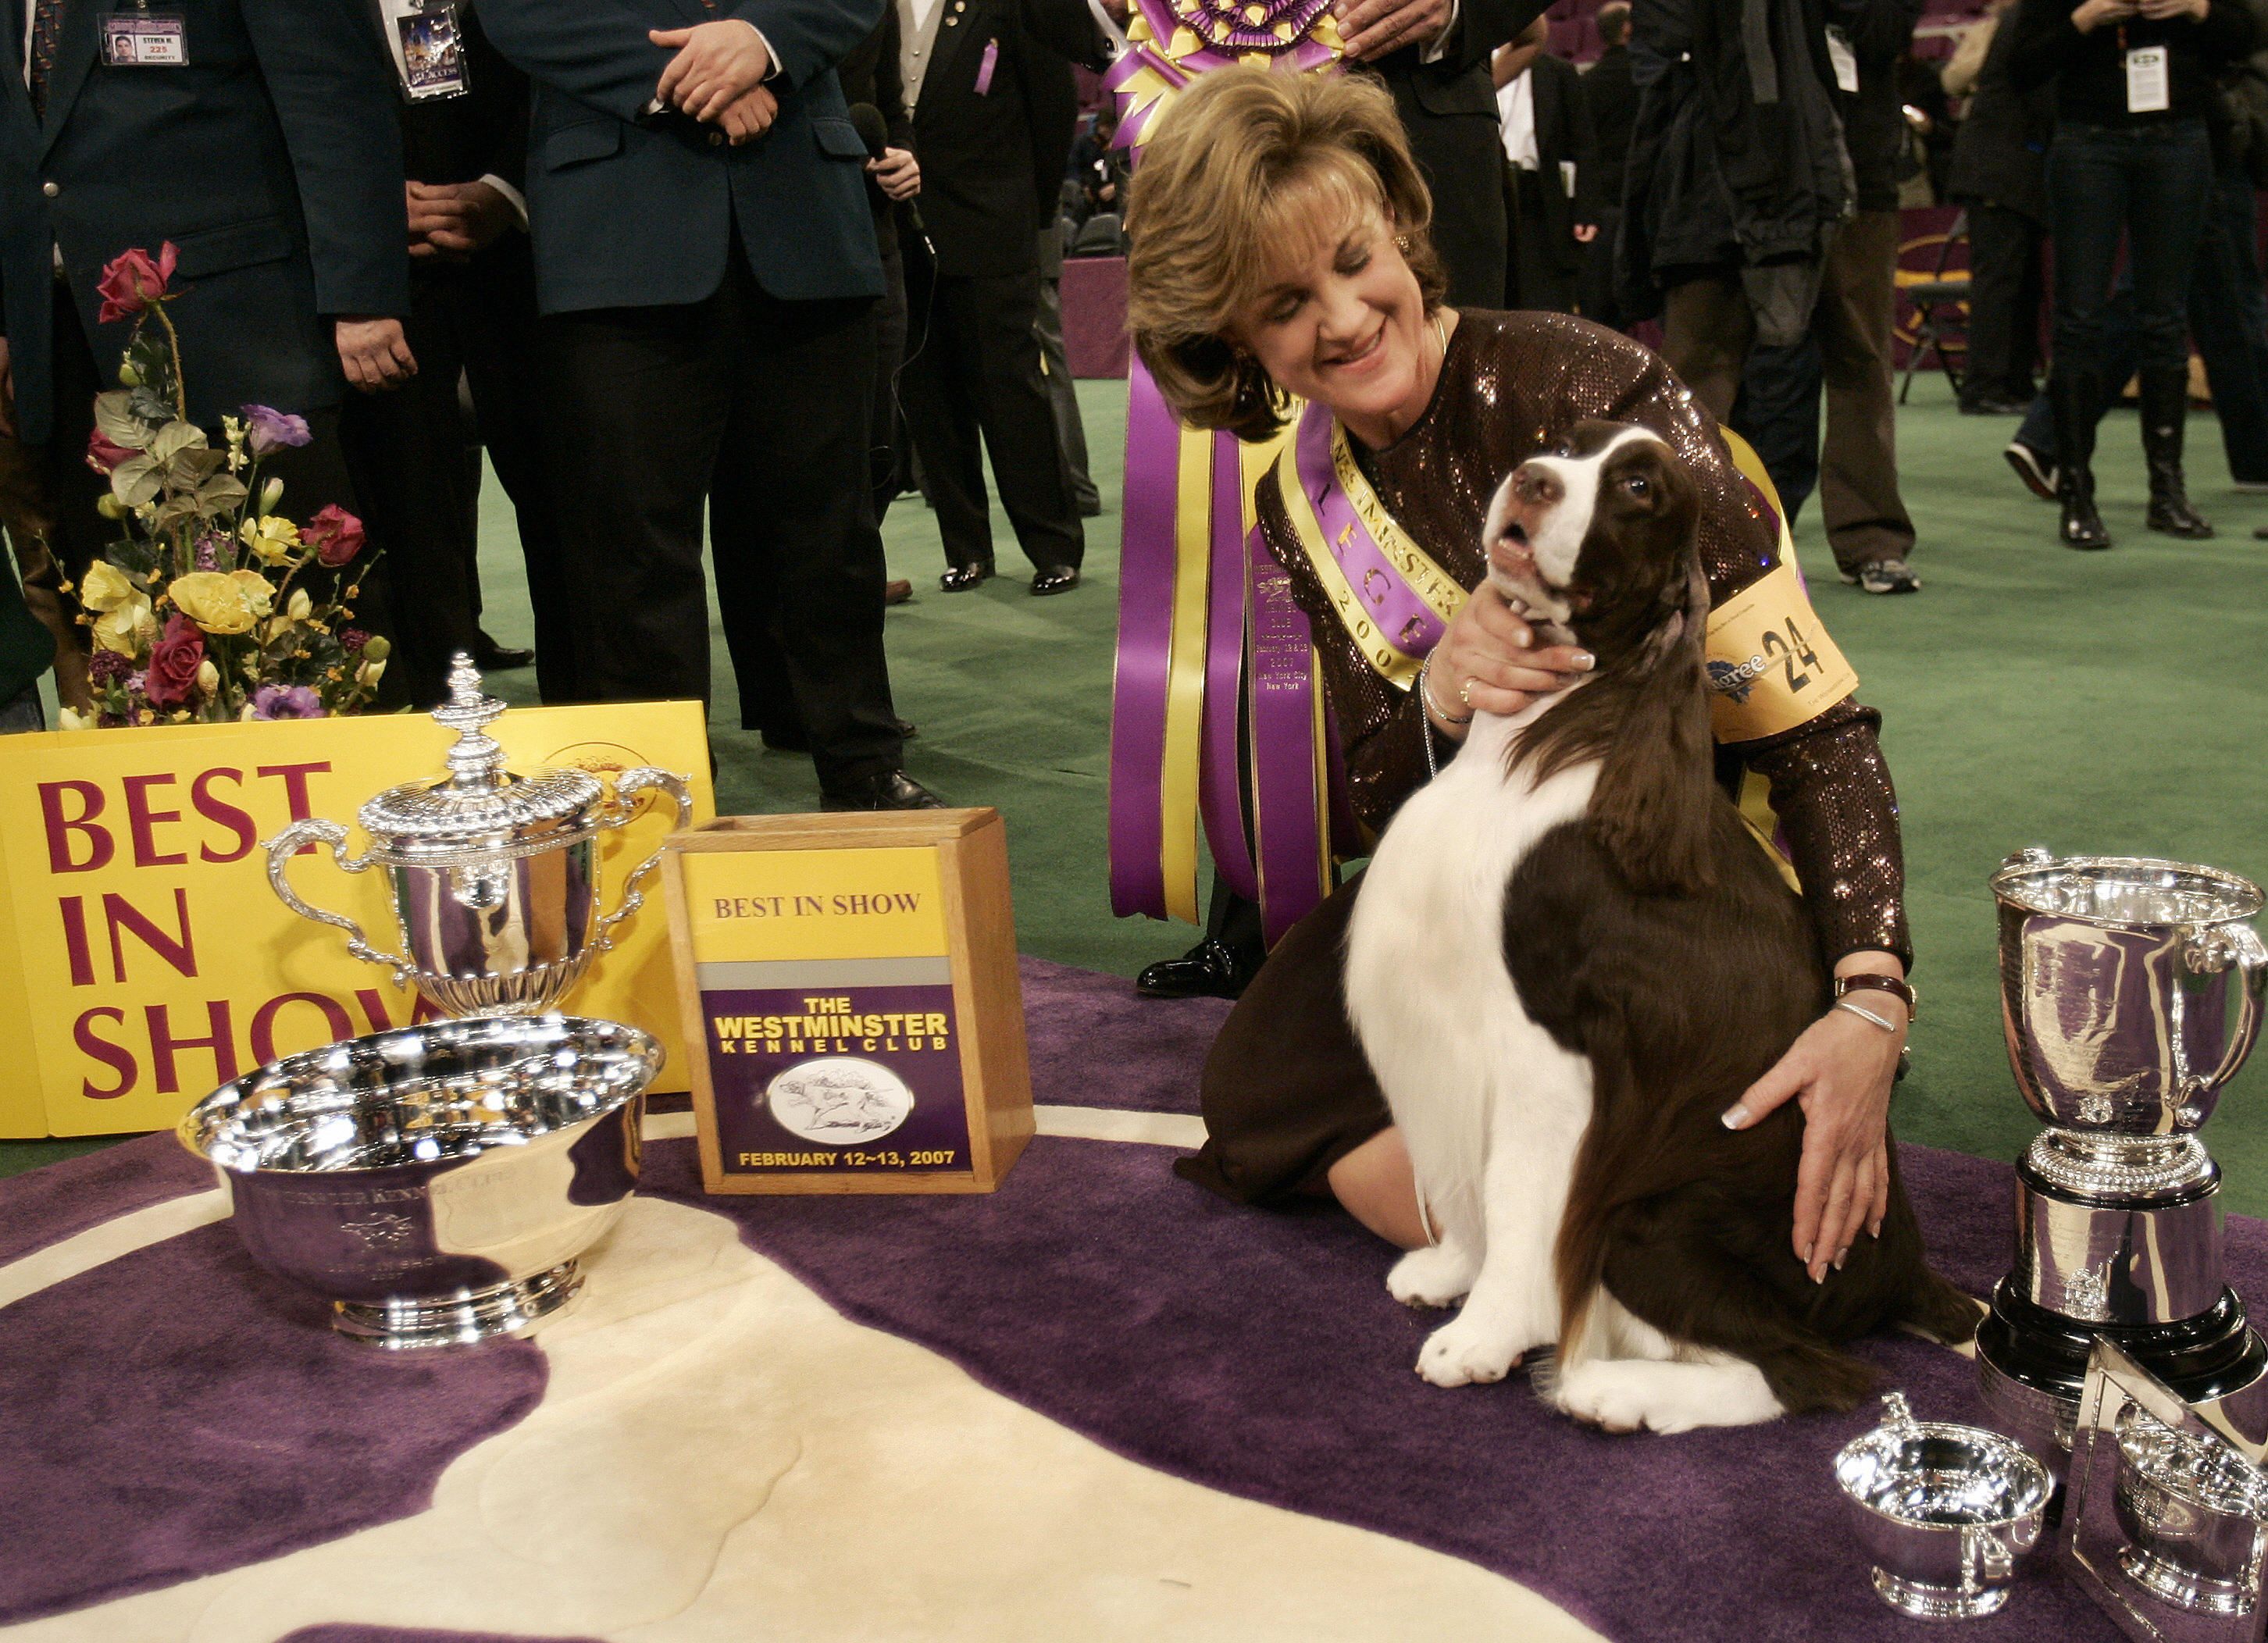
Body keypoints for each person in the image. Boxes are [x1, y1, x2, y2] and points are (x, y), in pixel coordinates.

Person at [1127, 66, 1915, 1283]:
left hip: (1680, 892)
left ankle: (1578, 1225)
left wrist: (1868, 998)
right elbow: (1356, 813)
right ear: (1236, 339)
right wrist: (1439, 695)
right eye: (1284, 305)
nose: (1339, 319)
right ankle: (1584, 1244)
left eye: (1351, 259)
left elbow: (1818, 733)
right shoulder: (1296, 510)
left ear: (1399, 219)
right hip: (1495, 898)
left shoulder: (1593, 395)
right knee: (1261, 1077)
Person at [482, 3, 939, 811]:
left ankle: (862, 760)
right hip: (618, 229)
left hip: (802, 211)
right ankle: (660, 793)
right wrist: (702, 77)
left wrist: (763, 45)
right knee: (633, 541)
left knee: (833, 526)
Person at [1, 0, 410, 665]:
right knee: (129, 629)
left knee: (300, 611)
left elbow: (335, 98)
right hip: (65, 335)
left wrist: (361, 295)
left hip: (238, 321)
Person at [337, 1, 550, 708]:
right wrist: (361, 207)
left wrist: (503, 192)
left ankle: (598, 720)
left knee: (570, 501)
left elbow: (555, 81)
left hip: (528, 258)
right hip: (374, 282)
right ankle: (439, 711)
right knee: (411, 504)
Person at [2008, 0, 2256, 548]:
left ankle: (2167, 491)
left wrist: (2196, 7)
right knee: (2079, 320)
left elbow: (2244, 35)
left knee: (2165, 320)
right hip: (2087, 143)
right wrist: (2085, 17)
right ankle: (2076, 492)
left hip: (2180, 137)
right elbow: (2020, 65)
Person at [893, 0, 1102, 595]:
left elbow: (1053, 109)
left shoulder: (1006, 5)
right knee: (930, 397)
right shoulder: (879, 9)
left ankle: (1054, 546)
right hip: (903, 230)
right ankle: (967, 549)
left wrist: (1028, 211)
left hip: (992, 225)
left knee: (1011, 393)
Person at [1728, 0, 1927, 597]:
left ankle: (1873, 540)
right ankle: (1720, 537)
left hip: (1859, 176)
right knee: (1728, 363)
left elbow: (1882, 31)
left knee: (1861, 358)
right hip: (1759, 175)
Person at [1617, 0, 1853, 424]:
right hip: (1709, 181)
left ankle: (1760, 489)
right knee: (1696, 367)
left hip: (1786, 178)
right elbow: (1663, 48)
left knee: (1781, 364)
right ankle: (1689, 487)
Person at [1944, 0, 2053, 415]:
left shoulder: (2016, 22)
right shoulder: (2021, 23)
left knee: (2021, 284)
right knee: (2000, 285)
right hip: (1999, 172)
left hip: (2012, 173)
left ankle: (2014, 383)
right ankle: (1985, 387)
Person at [1492, 21, 1601, 315]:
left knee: (1546, 304)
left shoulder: (1557, 73)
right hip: (1490, 195)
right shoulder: (1466, 74)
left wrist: (1586, 209)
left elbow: (1584, 145)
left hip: (1540, 201)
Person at [1578, 1, 1639, 326]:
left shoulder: (1588, 83)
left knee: (1601, 315)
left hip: (1602, 207)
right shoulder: (1652, 81)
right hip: (1646, 202)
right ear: (1629, 29)